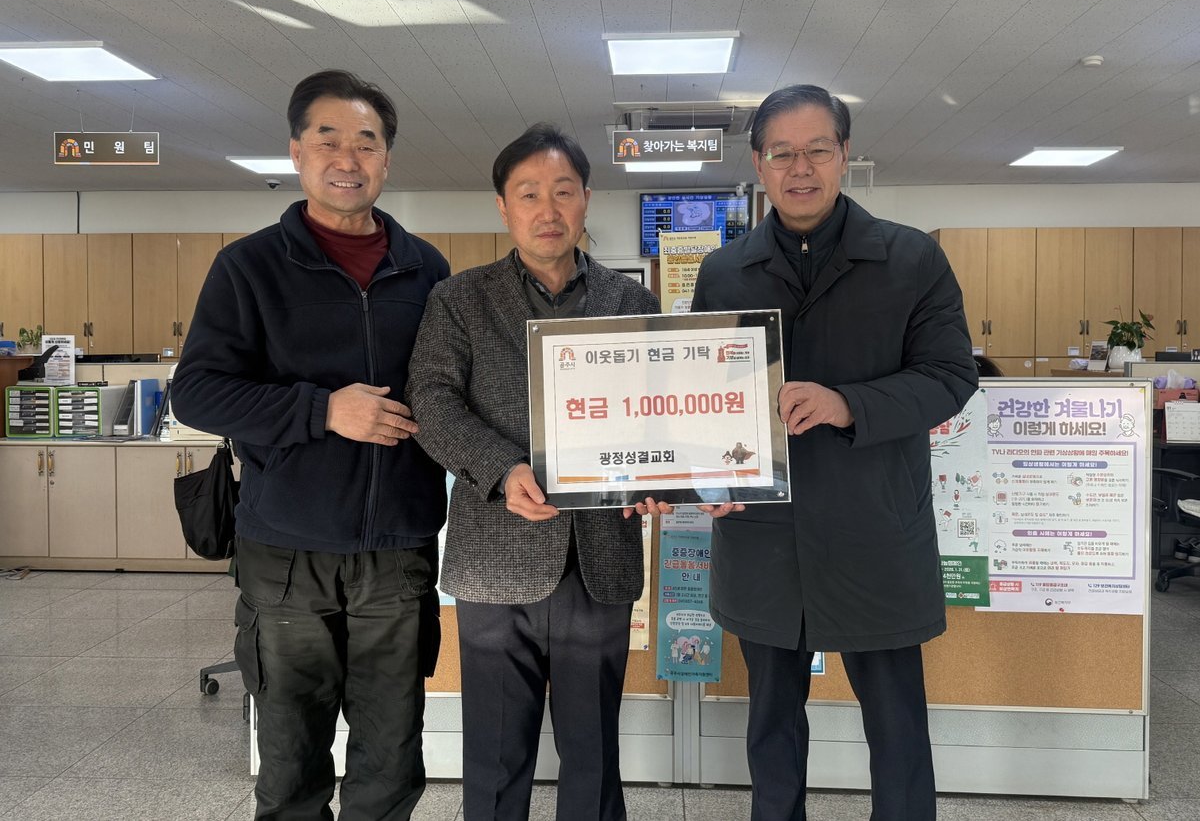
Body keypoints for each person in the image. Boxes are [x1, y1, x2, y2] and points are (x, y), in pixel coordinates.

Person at [691, 84, 978, 821]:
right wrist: (707, 473)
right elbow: (703, 396)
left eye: (818, 149)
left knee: (897, 727)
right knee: (771, 728)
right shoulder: (724, 272)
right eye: (782, 152)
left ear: (845, 154)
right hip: (764, 536)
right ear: (758, 163)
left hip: (873, 530)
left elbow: (951, 376)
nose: (801, 168)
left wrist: (848, 403)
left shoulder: (911, 259)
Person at [171, 69, 450, 820]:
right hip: (286, 550)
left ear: (387, 159)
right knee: (292, 762)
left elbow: (450, 391)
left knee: (391, 760)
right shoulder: (249, 267)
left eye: (366, 142)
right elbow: (196, 392)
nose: (347, 159)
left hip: (397, 549)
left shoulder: (426, 269)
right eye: (328, 140)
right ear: (297, 152)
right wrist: (324, 411)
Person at [405, 122, 665, 821]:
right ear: (503, 206)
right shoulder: (459, 299)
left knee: (594, 753)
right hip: (496, 554)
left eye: (563, 192)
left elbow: (657, 413)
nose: (547, 210)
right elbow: (430, 402)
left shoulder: (632, 303)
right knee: (495, 756)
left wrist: (657, 474)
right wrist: (503, 467)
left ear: (586, 200)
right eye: (528, 194)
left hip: (600, 554)